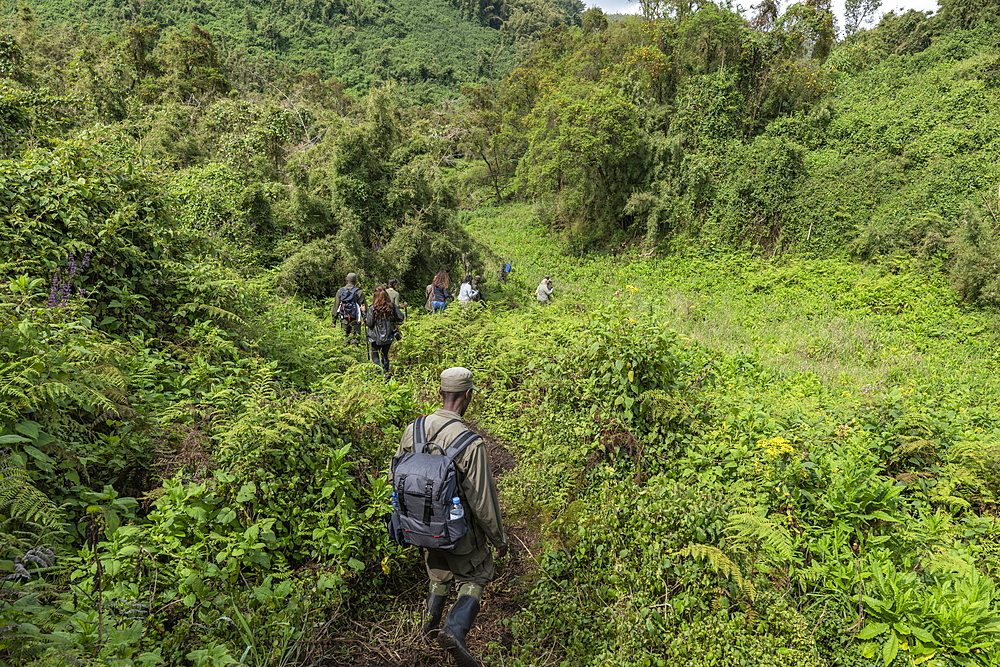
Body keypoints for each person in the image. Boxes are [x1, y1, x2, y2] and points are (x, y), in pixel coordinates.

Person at [396, 368, 506, 667]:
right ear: (468, 396)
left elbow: (397, 477)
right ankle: (454, 631)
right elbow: (483, 501)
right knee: (477, 574)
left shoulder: (413, 429)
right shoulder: (470, 443)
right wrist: (498, 539)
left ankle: (427, 629)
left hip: (419, 527)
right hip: (458, 530)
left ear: (439, 393)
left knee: (438, 572)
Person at [365, 285, 405, 377]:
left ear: (375, 295)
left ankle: (381, 372)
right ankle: (386, 372)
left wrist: (364, 312)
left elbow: (369, 323)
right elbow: (400, 318)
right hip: (388, 335)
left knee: (375, 356)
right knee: (385, 355)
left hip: (375, 337)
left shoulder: (373, 308)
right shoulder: (392, 307)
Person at [333, 273, 367, 345]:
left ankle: (344, 355)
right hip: (355, 320)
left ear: (346, 280)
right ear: (355, 281)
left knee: (344, 339)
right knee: (355, 340)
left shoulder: (340, 291)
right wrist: (366, 320)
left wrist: (334, 320)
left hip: (344, 319)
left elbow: (336, 306)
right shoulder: (359, 292)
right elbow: (363, 307)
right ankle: (354, 354)